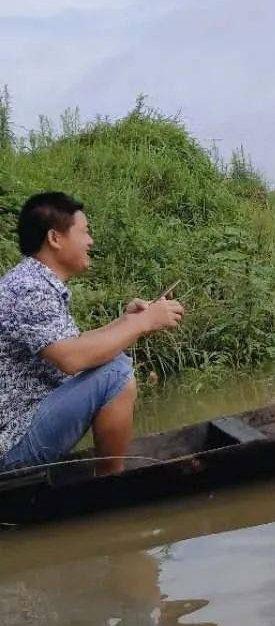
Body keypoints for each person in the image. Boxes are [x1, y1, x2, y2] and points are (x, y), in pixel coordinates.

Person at [0, 192, 183, 475]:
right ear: (55, 239)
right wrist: (144, 322)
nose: (90, 241)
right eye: (84, 232)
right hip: (11, 445)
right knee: (116, 372)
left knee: (113, 365)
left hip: (20, 432)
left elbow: (72, 346)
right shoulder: (29, 288)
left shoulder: (32, 281)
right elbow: (72, 359)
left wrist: (126, 322)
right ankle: (110, 483)